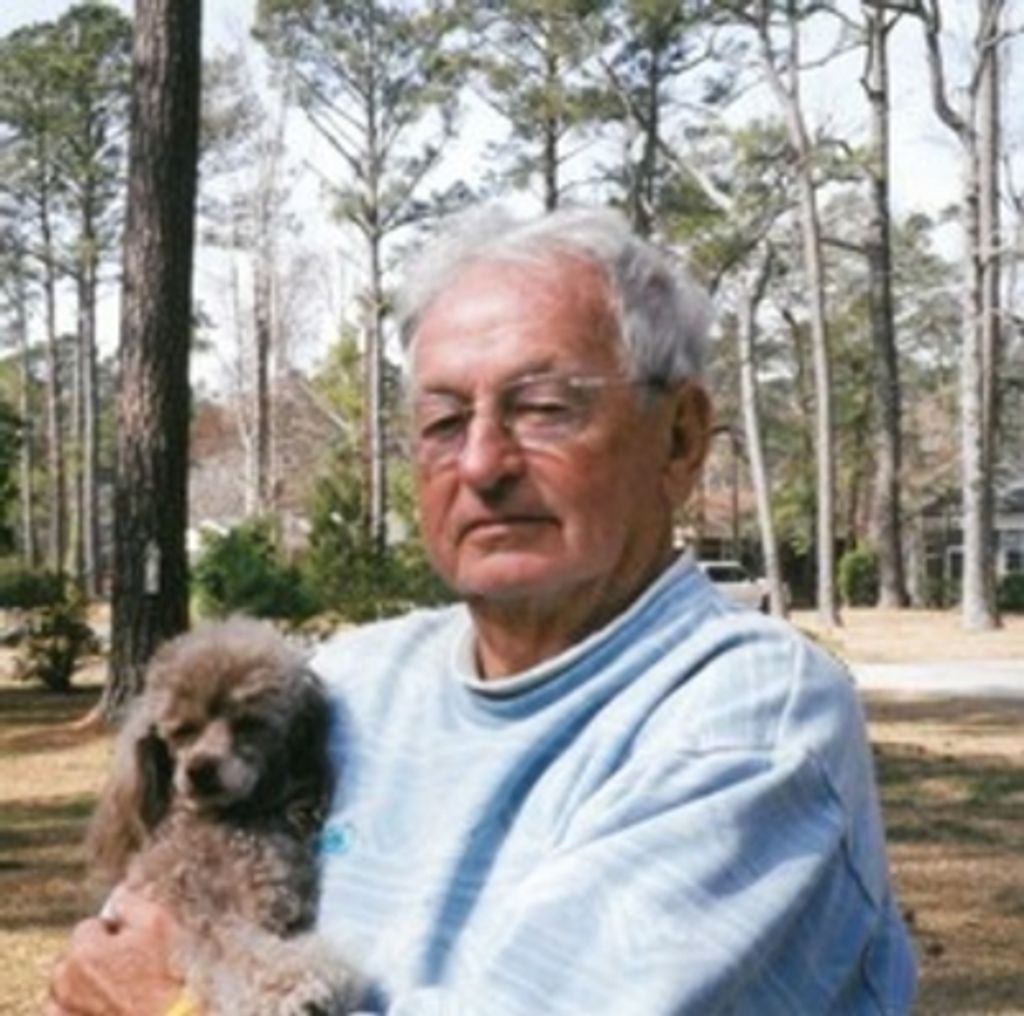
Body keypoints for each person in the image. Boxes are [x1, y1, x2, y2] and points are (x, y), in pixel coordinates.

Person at [49, 205, 916, 1014]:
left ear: (681, 438)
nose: (481, 463)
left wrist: (179, 1002)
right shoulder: (348, 680)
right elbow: (133, 931)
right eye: (443, 421)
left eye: (543, 409)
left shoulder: (743, 719)